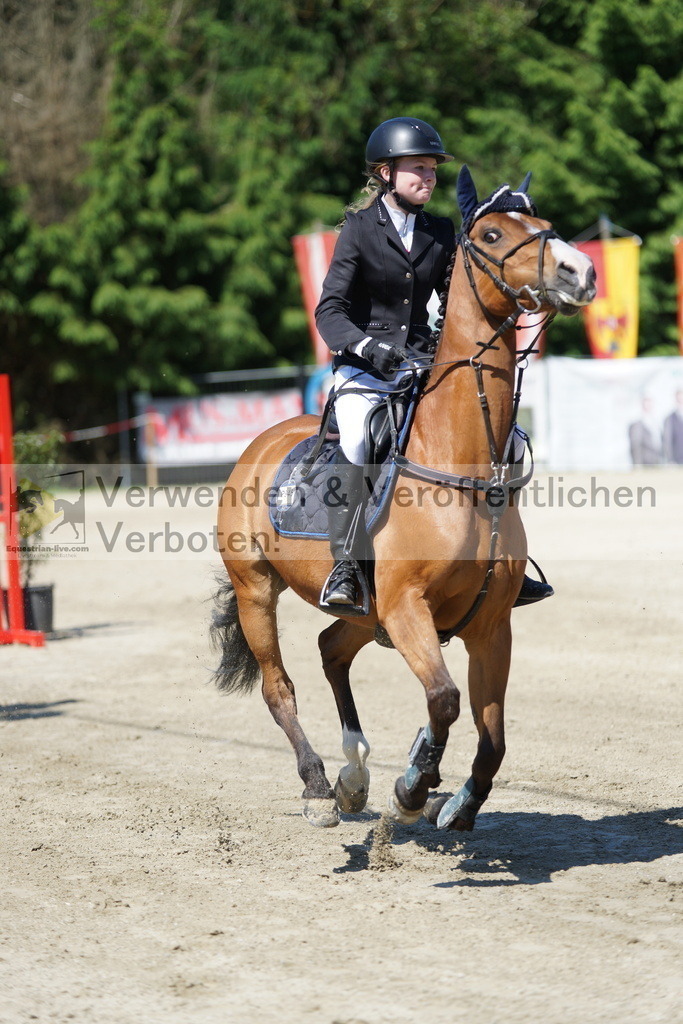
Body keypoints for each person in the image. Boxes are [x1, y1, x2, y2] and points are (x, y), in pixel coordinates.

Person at [314, 116, 553, 611]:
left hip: (423, 362)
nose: (428, 177)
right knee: (361, 438)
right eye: (417, 168)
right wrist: (364, 347)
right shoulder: (359, 229)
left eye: (432, 169)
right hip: (366, 367)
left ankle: (504, 557)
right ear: (386, 173)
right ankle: (347, 564)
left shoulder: (441, 231)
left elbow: (455, 298)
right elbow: (329, 310)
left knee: (503, 439)